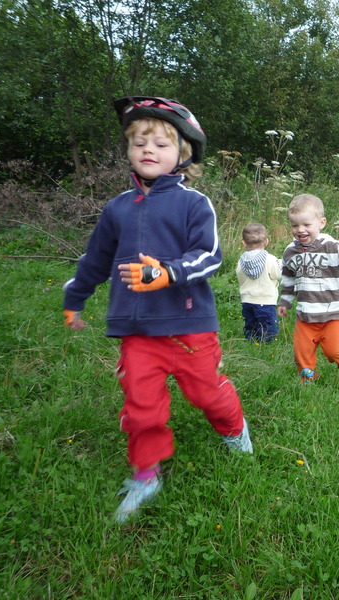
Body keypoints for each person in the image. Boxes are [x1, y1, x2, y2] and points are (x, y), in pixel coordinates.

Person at [62, 96, 253, 523]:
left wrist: (169, 273)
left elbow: (210, 256)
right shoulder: (116, 208)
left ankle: (233, 428)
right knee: (141, 404)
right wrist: (75, 297)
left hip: (189, 326)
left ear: (183, 154)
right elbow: (95, 260)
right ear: (129, 149)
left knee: (206, 393)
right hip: (137, 331)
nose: (148, 149)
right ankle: (146, 474)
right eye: (139, 142)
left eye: (161, 144)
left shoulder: (194, 204)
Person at [277, 193, 339, 383]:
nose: (300, 230)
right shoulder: (290, 252)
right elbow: (288, 279)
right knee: (302, 352)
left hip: (333, 313)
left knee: (332, 350)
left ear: (321, 223)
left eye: (306, 224)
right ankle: (308, 380)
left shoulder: (331, 246)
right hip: (305, 315)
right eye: (295, 225)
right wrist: (285, 302)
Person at [236, 223, 281, 342]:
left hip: (247, 299)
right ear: (266, 242)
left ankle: (251, 342)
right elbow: (277, 274)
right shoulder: (270, 259)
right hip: (266, 300)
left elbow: (240, 277)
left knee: (250, 324)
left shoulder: (242, 261)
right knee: (267, 325)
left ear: (244, 243)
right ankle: (267, 345)